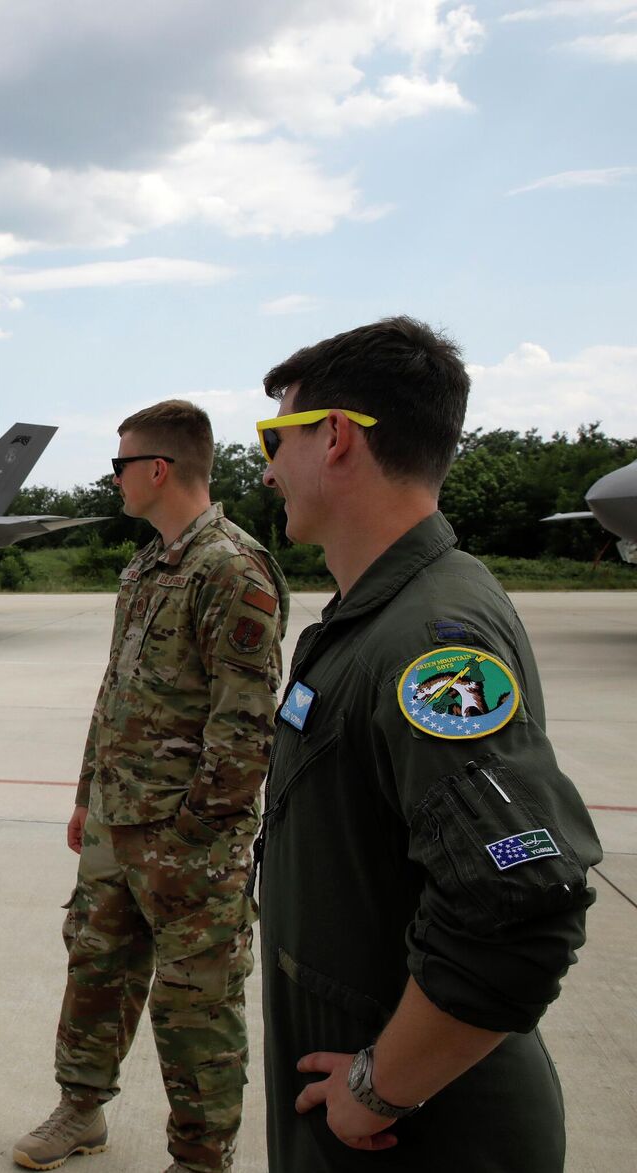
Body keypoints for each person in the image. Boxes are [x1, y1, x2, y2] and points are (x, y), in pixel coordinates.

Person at [254, 317, 601, 1169]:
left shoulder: (429, 639)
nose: (267, 469)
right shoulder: (382, 609)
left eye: (276, 436)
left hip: (419, 1132)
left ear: (336, 437)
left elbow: (520, 904)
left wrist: (378, 1085)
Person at [13, 400, 287, 1173]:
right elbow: (117, 692)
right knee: (97, 963)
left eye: (120, 464)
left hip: (188, 836)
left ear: (157, 470)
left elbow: (245, 727)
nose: (115, 478)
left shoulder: (232, 569)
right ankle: (81, 1109)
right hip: (116, 818)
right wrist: (86, 793)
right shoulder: (146, 564)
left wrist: (195, 836)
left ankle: (201, 1157)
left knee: (194, 999)